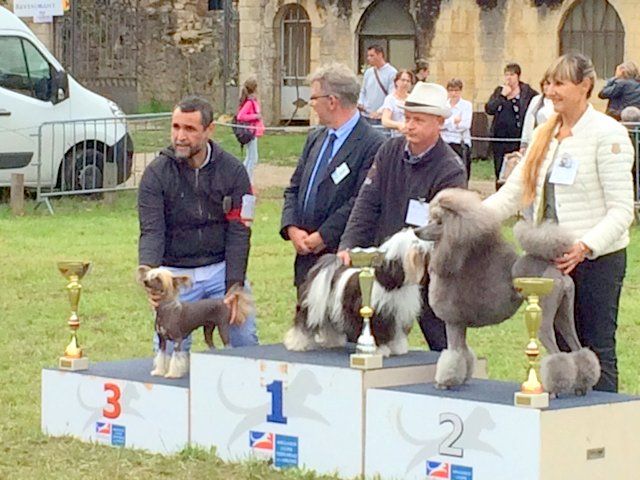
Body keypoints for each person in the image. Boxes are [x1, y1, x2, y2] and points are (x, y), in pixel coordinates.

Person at [483, 53, 634, 393]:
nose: (550, 91)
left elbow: (622, 210)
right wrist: (469, 220)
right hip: (549, 262)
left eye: (560, 83)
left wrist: (585, 247)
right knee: (559, 346)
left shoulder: (608, 134)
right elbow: (513, 193)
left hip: (597, 261)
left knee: (595, 347)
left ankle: (603, 425)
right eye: (548, 83)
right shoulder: (543, 134)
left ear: (585, 86)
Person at [338, 82, 468, 351]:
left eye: (418, 120)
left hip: (428, 275)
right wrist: (349, 244)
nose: (409, 125)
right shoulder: (388, 151)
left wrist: (417, 266)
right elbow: (367, 202)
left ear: (439, 123)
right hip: (384, 269)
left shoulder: (451, 169)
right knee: (370, 336)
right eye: (407, 118)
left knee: (442, 345)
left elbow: (444, 231)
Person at [138, 95, 259, 352]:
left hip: (221, 271)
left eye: (190, 129)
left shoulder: (235, 172)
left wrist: (234, 284)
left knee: (245, 342)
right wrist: (149, 276)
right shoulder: (155, 175)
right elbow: (151, 231)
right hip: (175, 276)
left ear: (209, 130)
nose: (180, 136)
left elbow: (240, 229)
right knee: (168, 352)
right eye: (176, 127)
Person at [280, 63, 385, 295]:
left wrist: (324, 235)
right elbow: (295, 187)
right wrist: (292, 227)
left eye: (314, 98)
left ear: (332, 101)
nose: (312, 105)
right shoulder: (316, 138)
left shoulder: (373, 144)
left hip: (341, 261)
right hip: (306, 261)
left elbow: (361, 200)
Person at [485, 63, 538, 189]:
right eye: (506, 74)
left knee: (518, 171)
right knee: (500, 171)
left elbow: (537, 104)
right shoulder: (499, 91)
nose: (508, 78)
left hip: (518, 139)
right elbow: (489, 109)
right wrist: (502, 96)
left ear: (518, 76)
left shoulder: (527, 92)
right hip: (500, 139)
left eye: (512, 75)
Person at [441, 78, 472, 179]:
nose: (453, 93)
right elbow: (440, 124)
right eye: (451, 90)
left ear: (460, 91)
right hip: (445, 141)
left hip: (460, 143)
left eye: (456, 91)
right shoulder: (443, 105)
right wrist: (454, 121)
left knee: (462, 171)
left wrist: (447, 125)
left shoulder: (467, 105)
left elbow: (465, 125)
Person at [357, 45, 397, 123]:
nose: (369, 58)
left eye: (372, 56)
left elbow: (392, 96)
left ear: (380, 55)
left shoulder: (392, 73)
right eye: (368, 56)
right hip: (366, 114)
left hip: (380, 116)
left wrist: (380, 111)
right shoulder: (368, 72)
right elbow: (363, 90)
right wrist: (360, 102)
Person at [236, 77, 265, 182]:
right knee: (253, 158)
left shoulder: (253, 101)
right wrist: (255, 116)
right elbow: (240, 116)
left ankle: (243, 177)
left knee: (250, 156)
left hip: (253, 132)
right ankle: (247, 180)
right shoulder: (249, 103)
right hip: (250, 132)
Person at [520, 78, 554, 151]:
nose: (546, 87)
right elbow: (528, 120)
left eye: (549, 84)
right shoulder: (536, 100)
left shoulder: (558, 101)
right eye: (544, 84)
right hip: (536, 139)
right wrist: (524, 143)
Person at [380, 69, 415, 135]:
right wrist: (399, 125)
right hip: (397, 136)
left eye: (408, 81)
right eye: (403, 80)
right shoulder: (390, 99)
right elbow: (385, 121)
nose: (405, 83)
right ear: (396, 82)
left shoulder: (413, 99)